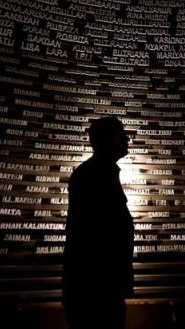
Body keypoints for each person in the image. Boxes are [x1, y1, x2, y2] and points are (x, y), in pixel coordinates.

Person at [62, 116, 134, 329]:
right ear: (107, 140)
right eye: (122, 135)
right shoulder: (96, 174)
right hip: (96, 292)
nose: (127, 139)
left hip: (96, 289)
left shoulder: (98, 172)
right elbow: (101, 236)